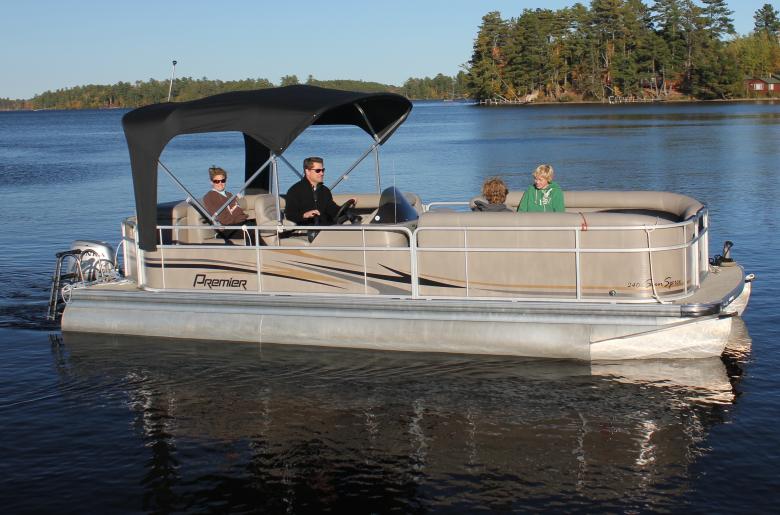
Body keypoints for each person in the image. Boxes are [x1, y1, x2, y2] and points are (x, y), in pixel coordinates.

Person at [285, 156, 356, 226]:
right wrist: (304, 215)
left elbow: (334, 211)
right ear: (307, 171)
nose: (322, 173)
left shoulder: (325, 191)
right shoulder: (295, 191)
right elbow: (290, 215)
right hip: (307, 231)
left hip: (326, 229)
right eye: (318, 171)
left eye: (323, 170)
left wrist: (348, 205)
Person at [202, 166, 255, 244]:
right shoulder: (209, 197)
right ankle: (253, 253)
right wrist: (238, 216)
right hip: (226, 230)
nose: (220, 183)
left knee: (261, 225)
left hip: (239, 224)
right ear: (211, 182)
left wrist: (239, 215)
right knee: (252, 229)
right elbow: (223, 219)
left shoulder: (229, 195)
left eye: (222, 180)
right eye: (216, 181)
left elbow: (239, 214)